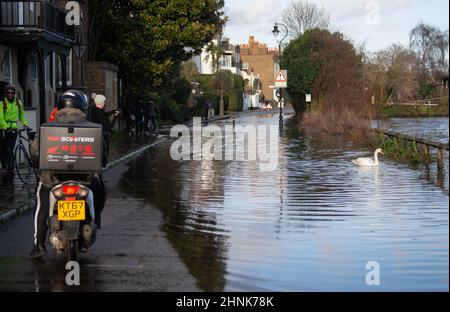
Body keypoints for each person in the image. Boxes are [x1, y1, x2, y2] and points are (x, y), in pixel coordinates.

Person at [29, 90, 106, 259]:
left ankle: (39, 245)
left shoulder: (46, 129)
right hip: (85, 180)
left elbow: (35, 155)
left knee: (41, 205)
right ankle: (93, 221)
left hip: (52, 180)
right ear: (82, 108)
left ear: (59, 107)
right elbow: (103, 157)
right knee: (101, 191)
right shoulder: (92, 129)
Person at [0, 84, 29, 181]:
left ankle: (11, 169)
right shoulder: (2, 103)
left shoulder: (18, 102)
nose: (10, 94)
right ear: (5, 94)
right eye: (8, 93)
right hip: (4, 128)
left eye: (12, 93)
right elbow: (0, 117)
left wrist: (25, 124)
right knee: (3, 149)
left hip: (14, 129)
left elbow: (22, 114)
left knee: (9, 149)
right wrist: (5, 126)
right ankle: (6, 165)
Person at [91, 94, 120, 168]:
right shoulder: (100, 114)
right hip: (102, 136)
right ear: (100, 103)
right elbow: (109, 126)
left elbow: (105, 114)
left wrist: (113, 111)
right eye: (103, 102)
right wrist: (115, 117)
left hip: (96, 135)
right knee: (103, 154)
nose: (104, 103)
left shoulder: (94, 110)